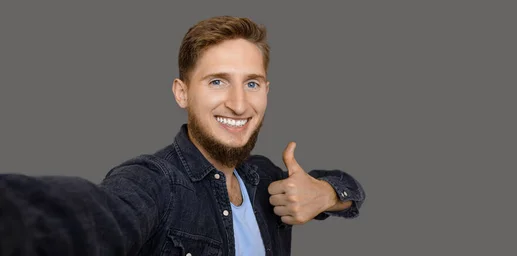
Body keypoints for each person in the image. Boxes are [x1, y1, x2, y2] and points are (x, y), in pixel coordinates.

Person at [0, 15, 365, 256]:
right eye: (218, 81)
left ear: (267, 90)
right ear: (182, 92)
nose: (239, 104)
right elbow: (100, 216)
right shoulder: (153, 181)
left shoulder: (265, 176)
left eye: (251, 83)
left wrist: (327, 194)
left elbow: (352, 191)